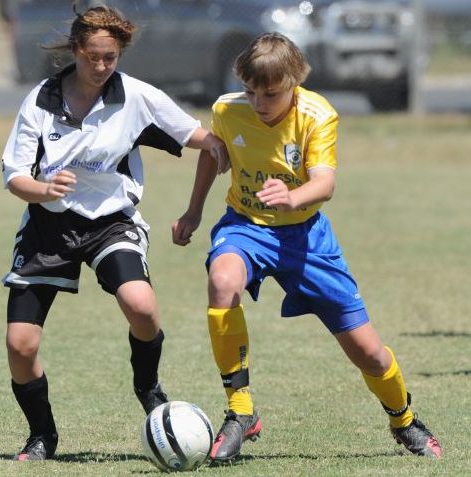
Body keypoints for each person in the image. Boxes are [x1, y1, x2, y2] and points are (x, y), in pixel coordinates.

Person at [172, 32, 442, 462]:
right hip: (246, 225)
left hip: (307, 237)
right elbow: (211, 154)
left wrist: (292, 196)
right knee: (222, 282)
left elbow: (325, 183)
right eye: (251, 91)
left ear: (295, 82)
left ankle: (404, 420)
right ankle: (241, 410)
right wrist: (193, 212)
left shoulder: (317, 114)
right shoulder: (228, 109)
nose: (259, 103)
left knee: (369, 353)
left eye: (271, 93)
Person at [0, 3, 228, 461]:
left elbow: (203, 140)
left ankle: (147, 385)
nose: (102, 67)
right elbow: (13, 177)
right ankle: (43, 434)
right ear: (75, 50)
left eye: (111, 57)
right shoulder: (42, 101)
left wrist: (205, 190)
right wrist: (44, 189)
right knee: (20, 346)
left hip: (112, 223)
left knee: (141, 306)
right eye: (92, 57)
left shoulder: (138, 96)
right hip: (49, 227)